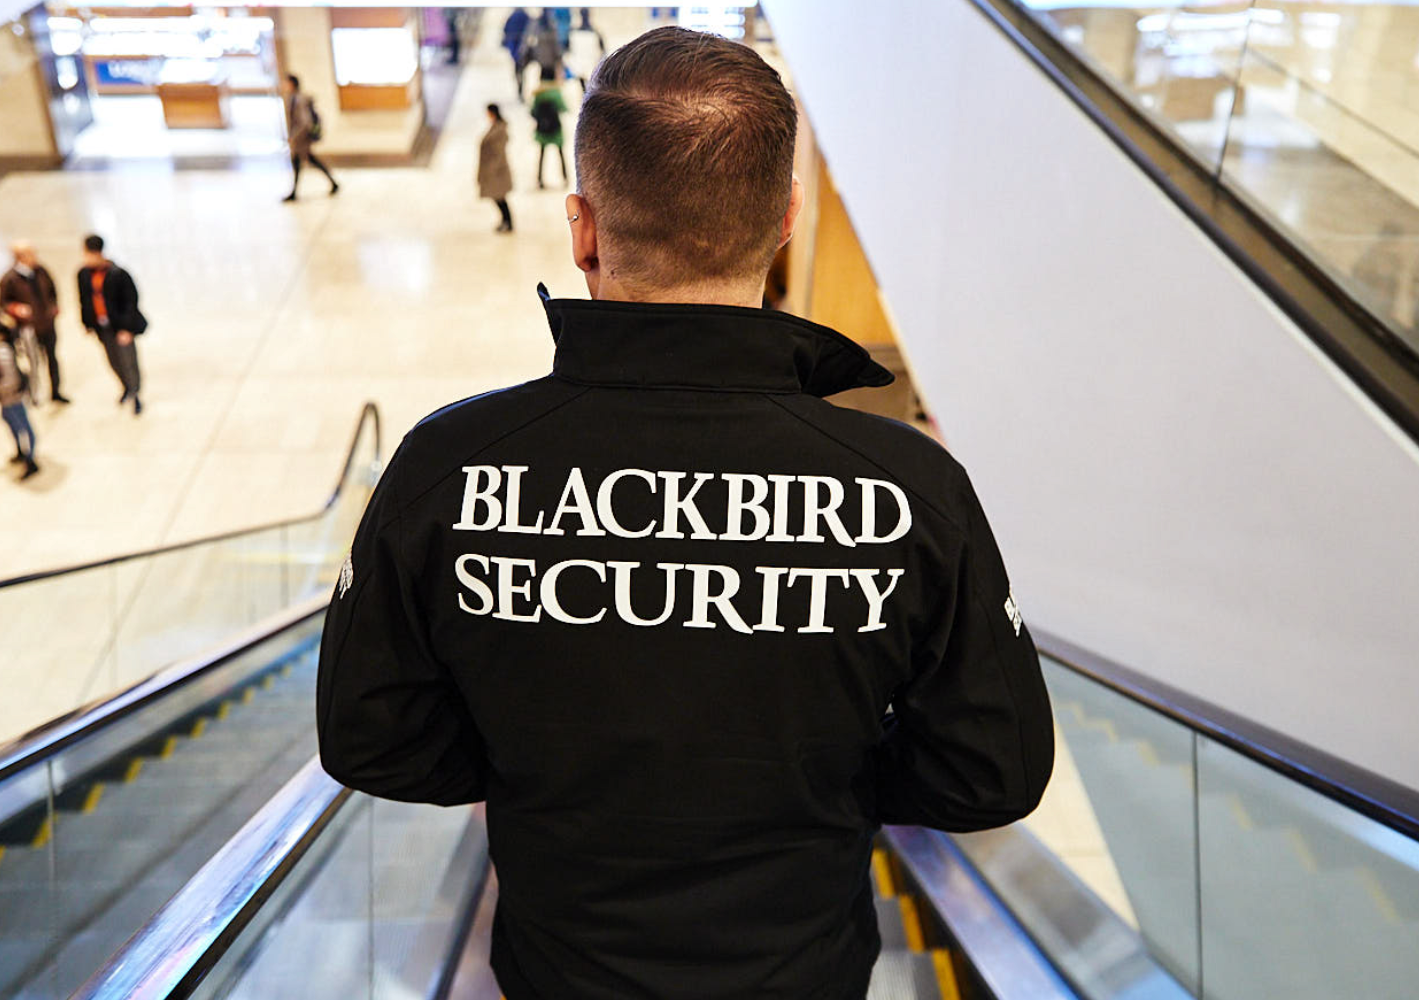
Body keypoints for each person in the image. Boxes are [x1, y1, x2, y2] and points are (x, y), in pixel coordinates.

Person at [317, 26, 1053, 1000]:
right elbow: (991, 771)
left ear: (582, 227)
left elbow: (370, 733)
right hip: (802, 974)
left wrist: (524, 765)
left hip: (561, 973)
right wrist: (828, 778)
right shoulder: (908, 491)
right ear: (784, 219)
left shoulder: (449, 469)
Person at [76, 234, 147, 415]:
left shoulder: (118, 274)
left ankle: (135, 393)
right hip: (102, 327)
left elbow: (131, 302)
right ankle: (126, 387)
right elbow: (84, 300)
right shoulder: (83, 274)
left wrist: (127, 328)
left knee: (128, 361)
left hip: (120, 327)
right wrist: (87, 323)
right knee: (113, 361)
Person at [0, 239, 69, 405]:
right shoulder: (10, 279)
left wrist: (54, 306)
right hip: (28, 328)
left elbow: (52, 290)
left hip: (47, 323)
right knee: (34, 363)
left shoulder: (40, 271)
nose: (35, 257)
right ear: (20, 257)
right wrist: (16, 309)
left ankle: (56, 391)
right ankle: (36, 395)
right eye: (30, 254)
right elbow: (3, 304)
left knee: (52, 359)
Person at [0, 310, 39, 480]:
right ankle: (22, 452)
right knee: (11, 422)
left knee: (24, 427)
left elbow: (9, 376)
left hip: (11, 395)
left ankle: (31, 460)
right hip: (7, 395)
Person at [280, 74, 339, 202]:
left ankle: (295, 192)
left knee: (306, 161)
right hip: (299, 138)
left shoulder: (299, 99)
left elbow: (304, 122)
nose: (283, 86)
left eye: (286, 83)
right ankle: (295, 191)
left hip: (302, 139)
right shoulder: (293, 98)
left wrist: (293, 137)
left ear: (292, 84)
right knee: (302, 162)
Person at [479, 104, 515, 233]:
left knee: (500, 198)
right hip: (493, 169)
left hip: (496, 171)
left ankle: (508, 222)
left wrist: (491, 170)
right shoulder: (496, 126)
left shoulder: (499, 130)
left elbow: (498, 152)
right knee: (498, 198)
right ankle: (505, 221)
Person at [531, 67, 568, 189]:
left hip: (542, 129)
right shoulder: (556, 92)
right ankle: (565, 177)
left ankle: (539, 179)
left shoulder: (538, 93)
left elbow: (533, 111)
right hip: (556, 128)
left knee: (542, 154)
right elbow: (563, 108)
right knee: (560, 153)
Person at [502, 7, 531, 101]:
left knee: (517, 67)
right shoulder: (526, 16)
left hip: (514, 45)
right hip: (523, 46)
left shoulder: (512, 16)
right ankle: (521, 84)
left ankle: (519, 84)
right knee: (521, 68)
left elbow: (505, 29)